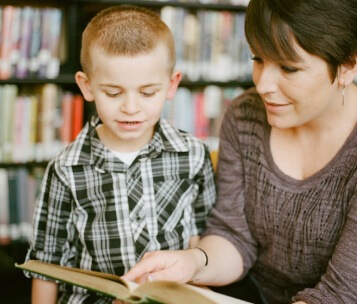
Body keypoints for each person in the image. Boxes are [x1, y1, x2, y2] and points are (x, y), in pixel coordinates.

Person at [122, 0, 357, 303]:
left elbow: (342, 292)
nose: (262, 84)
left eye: (288, 67)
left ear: (347, 65)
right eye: (258, 59)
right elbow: (234, 236)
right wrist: (193, 263)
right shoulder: (246, 116)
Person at [24, 5, 216, 304]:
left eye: (147, 92)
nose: (130, 107)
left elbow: (202, 239)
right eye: (113, 93)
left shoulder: (193, 154)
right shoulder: (66, 168)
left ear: (171, 84)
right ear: (86, 87)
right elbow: (46, 263)